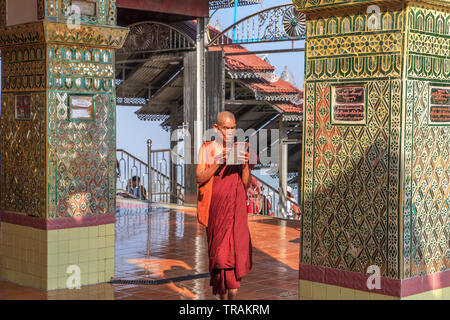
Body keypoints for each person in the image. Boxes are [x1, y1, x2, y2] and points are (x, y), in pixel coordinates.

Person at [196, 111, 256, 300]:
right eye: (226, 128)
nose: (230, 132)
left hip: (235, 211)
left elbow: (246, 184)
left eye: (233, 128)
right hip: (216, 210)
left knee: (235, 254)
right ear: (216, 128)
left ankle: (232, 300)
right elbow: (199, 177)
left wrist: (245, 165)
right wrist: (217, 163)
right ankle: (222, 298)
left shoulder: (241, 149)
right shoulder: (207, 149)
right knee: (220, 256)